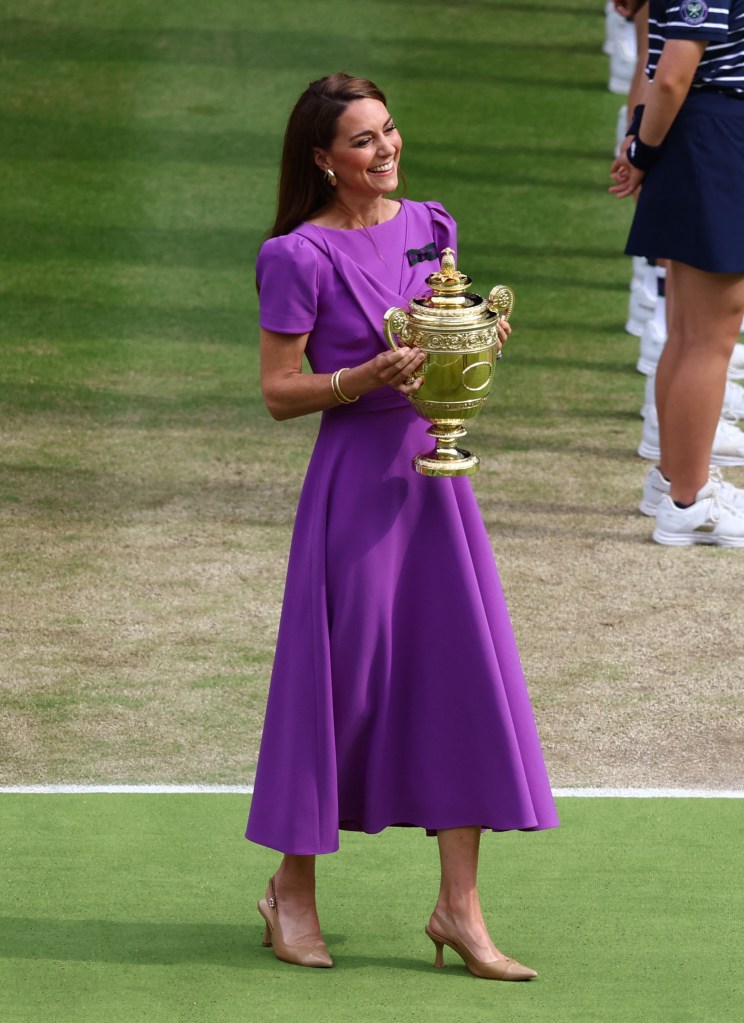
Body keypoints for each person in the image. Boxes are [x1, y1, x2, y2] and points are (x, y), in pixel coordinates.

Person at [246, 72, 558, 979]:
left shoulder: (434, 226)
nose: (385, 150)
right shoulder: (296, 256)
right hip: (356, 489)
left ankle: (459, 909)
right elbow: (276, 391)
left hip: (438, 483)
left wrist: (475, 347)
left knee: (457, 679)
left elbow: (447, 331)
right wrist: (364, 378)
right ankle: (291, 893)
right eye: (361, 141)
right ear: (322, 159)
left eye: (388, 132)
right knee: (339, 686)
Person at [610, 0, 744, 545]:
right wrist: (643, 150)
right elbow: (671, 75)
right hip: (709, 139)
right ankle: (689, 502)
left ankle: (674, 480)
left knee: (690, 333)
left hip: (700, 137)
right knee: (709, 335)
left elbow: (659, 67)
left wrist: (643, 141)